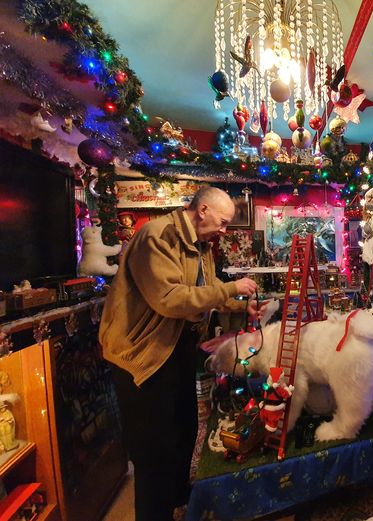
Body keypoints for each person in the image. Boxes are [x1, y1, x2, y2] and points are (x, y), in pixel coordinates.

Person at [99, 186, 265, 521]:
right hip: (142, 355)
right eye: (222, 222)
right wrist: (232, 288)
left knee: (184, 427)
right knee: (153, 450)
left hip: (174, 349)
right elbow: (171, 299)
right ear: (202, 210)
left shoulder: (200, 243)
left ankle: (177, 496)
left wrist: (239, 304)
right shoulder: (156, 237)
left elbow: (203, 289)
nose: (224, 230)